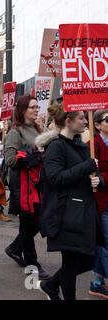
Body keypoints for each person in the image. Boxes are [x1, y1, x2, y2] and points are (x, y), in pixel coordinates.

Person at [39, 106, 102, 300]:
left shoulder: (80, 144)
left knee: (88, 259)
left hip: (83, 212)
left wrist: (96, 179)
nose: (85, 121)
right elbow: (55, 178)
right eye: (82, 118)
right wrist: (86, 167)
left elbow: (86, 172)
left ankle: (50, 285)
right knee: (71, 261)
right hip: (66, 214)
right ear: (68, 121)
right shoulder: (56, 146)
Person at [4, 95, 50, 280]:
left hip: (38, 185)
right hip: (23, 187)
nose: (36, 110)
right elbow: (10, 160)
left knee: (36, 223)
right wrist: (35, 154)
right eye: (33, 107)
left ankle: (14, 248)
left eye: (37, 107)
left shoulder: (37, 129)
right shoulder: (15, 132)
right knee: (28, 224)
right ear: (23, 110)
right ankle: (32, 264)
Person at [88, 110, 108, 299]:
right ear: (97, 125)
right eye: (107, 119)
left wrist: (103, 178)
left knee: (103, 242)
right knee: (104, 241)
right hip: (101, 203)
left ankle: (96, 282)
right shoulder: (92, 146)